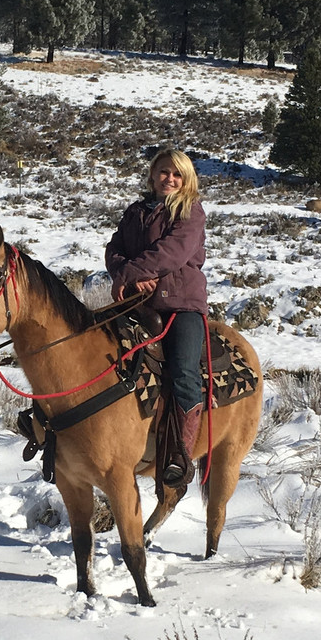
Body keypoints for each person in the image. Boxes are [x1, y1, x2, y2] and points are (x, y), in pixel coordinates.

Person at [105, 148, 207, 487]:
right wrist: (125, 274)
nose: (170, 179)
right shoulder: (136, 212)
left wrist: (130, 274)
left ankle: (179, 454)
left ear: (186, 179)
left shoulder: (191, 211)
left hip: (181, 303)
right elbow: (114, 249)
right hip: (137, 304)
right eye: (164, 172)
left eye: (177, 174)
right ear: (152, 174)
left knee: (183, 371)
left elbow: (172, 252)